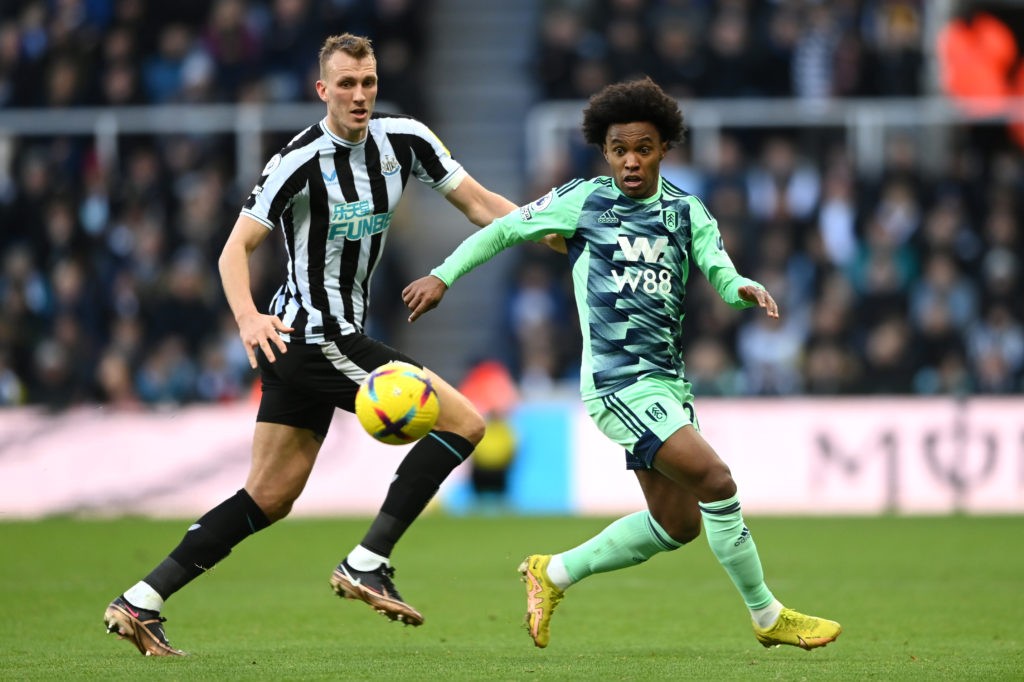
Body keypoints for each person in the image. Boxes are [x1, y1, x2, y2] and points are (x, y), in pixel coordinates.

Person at [103, 33, 526, 657]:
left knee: (269, 497)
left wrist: (550, 231)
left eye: (369, 83)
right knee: (462, 423)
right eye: (347, 85)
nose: (360, 96)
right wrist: (247, 318)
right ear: (322, 90)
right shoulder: (297, 161)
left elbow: (482, 205)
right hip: (311, 335)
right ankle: (367, 560)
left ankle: (142, 599)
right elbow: (234, 249)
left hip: (311, 341)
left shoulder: (404, 140)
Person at [402, 77, 843, 651]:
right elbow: (505, 230)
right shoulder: (582, 202)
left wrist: (743, 289)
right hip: (617, 384)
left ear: (663, 149)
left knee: (677, 524)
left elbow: (719, 268)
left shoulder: (687, 212)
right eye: (619, 150)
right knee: (717, 479)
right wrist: (442, 275)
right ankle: (767, 615)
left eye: (643, 148)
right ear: (605, 152)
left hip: (668, 384)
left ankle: (551, 572)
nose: (631, 161)